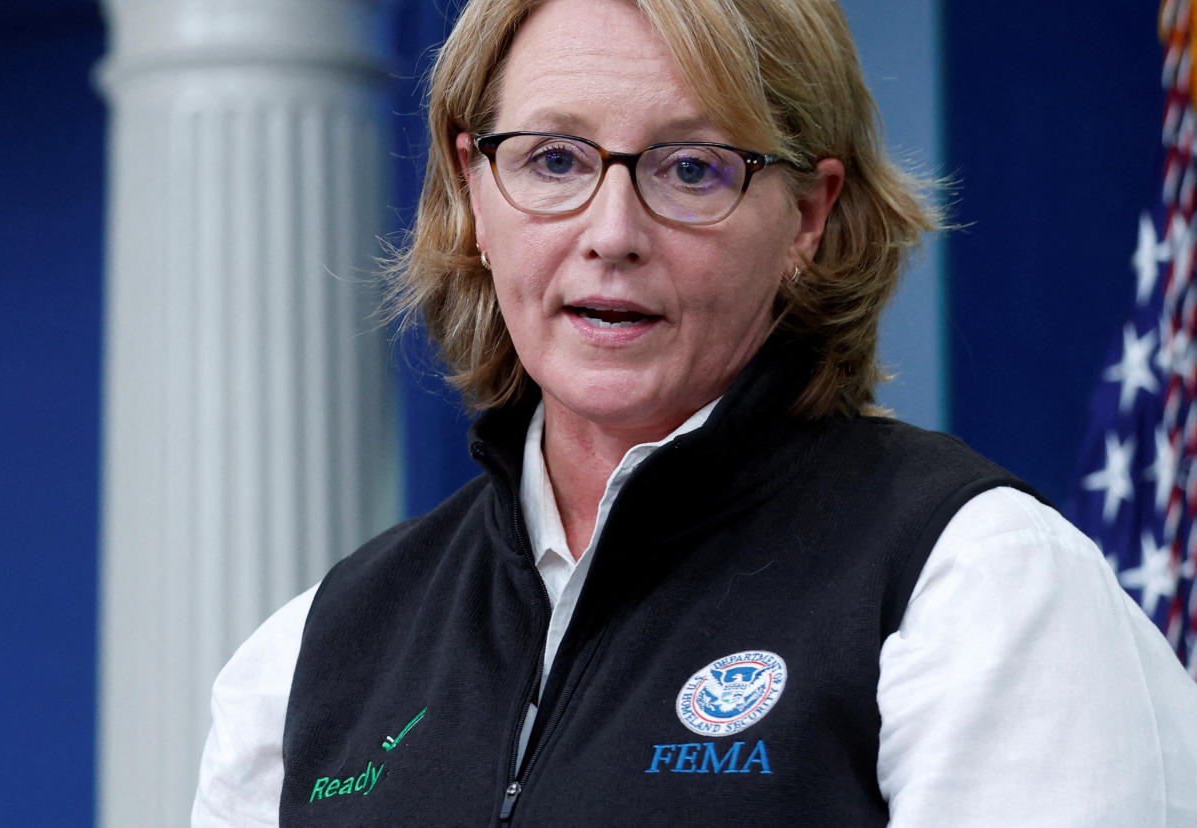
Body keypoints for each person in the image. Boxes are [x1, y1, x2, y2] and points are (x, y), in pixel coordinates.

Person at [192, 0, 1197, 824]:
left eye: (692, 169)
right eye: (553, 159)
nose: (612, 233)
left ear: (808, 214)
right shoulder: (313, 654)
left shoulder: (979, 587)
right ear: (472, 189)